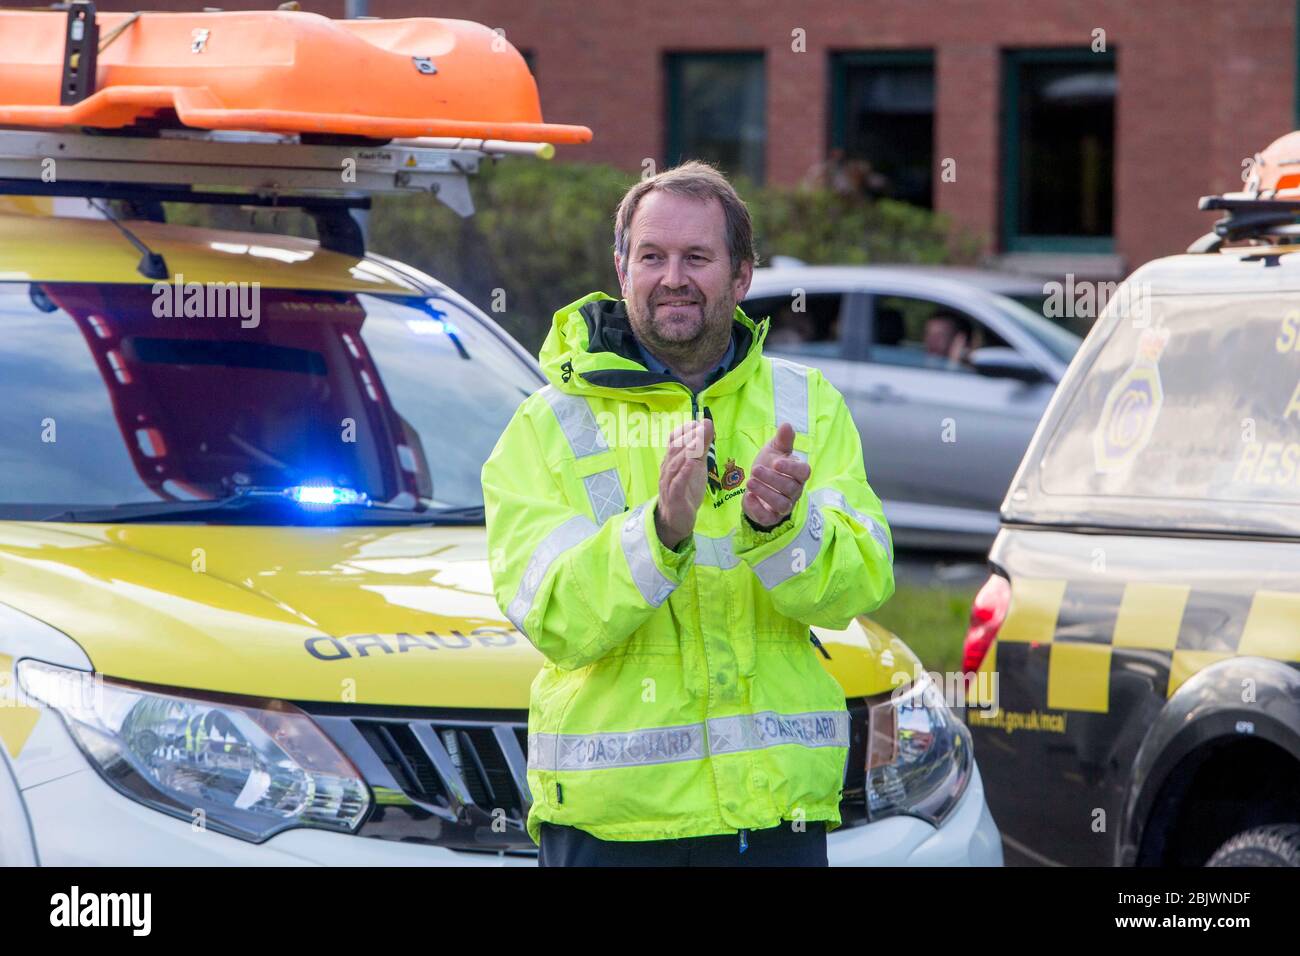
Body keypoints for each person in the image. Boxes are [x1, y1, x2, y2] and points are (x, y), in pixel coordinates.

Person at [481, 160, 895, 867]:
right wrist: (659, 533)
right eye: (652, 256)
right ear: (621, 268)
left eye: (697, 257)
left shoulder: (806, 403)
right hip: (612, 831)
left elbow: (862, 584)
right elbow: (554, 618)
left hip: (773, 824)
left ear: (741, 277)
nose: (673, 276)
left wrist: (779, 531)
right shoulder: (547, 424)